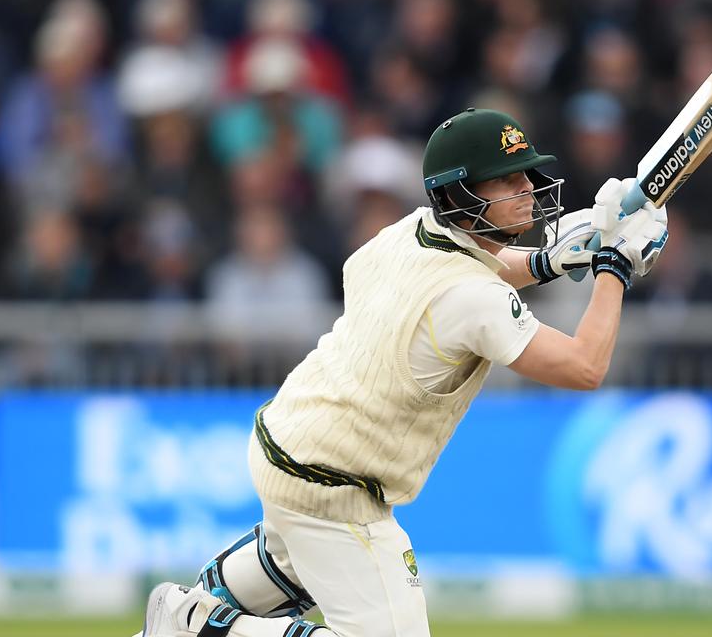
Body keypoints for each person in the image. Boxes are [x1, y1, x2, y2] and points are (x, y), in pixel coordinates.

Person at [135, 108, 669, 637]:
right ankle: (197, 623)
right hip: (336, 485)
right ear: (462, 196)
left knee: (299, 551)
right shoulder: (474, 299)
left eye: (526, 173)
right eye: (507, 179)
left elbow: (472, 270)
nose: (528, 187)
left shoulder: (408, 231)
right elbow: (584, 367)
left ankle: (222, 592)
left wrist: (550, 262)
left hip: (288, 441)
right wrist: (614, 267)